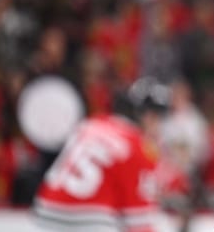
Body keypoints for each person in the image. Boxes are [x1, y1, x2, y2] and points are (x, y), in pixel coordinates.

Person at [32, 76, 173, 232]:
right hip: (90, 219)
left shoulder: (92, 124)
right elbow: (140, 225)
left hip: (45, 209)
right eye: (160, 118)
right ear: (149, 116)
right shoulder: (140, 147)